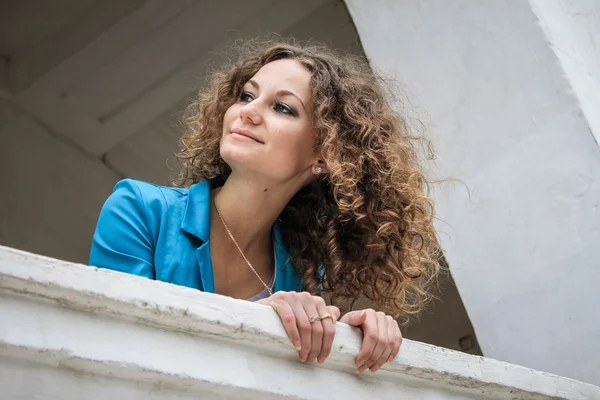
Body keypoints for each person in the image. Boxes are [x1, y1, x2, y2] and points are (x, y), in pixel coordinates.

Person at [89, 38, 441, 374]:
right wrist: (254, 321)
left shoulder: (301, 273)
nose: (249, 112)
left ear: (325, 155)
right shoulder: (138, 210)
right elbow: (113, 344)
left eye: (283, 108)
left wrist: (358, 333)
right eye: (246, 96)